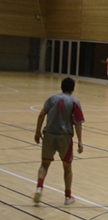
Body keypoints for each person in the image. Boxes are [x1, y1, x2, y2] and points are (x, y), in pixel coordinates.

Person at [33, 77, 85, 205]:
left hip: (49, 134)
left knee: (44, 164)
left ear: (61, 87)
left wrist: (38, 131)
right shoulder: (74, 102)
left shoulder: (52, 99)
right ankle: (67, 197)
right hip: (65, 137)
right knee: (67, 167)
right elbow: (78, 123)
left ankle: (39, 188)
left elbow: (41, 114)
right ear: (73, 89)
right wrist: (80, 141)